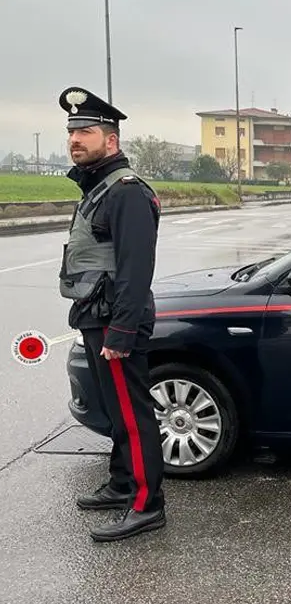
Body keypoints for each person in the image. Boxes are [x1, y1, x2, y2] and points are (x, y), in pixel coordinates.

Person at [58, 86, 166, 542]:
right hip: (95, 315)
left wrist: (120, 331)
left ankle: (147, 504)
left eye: (86, 131)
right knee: (115, 411)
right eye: (72, 132)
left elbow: (136, 268)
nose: (75, 139)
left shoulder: (125, 193)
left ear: (112, 140)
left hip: (115, 320)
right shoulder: (99, 189)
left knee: (133, 412)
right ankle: (123, 483)